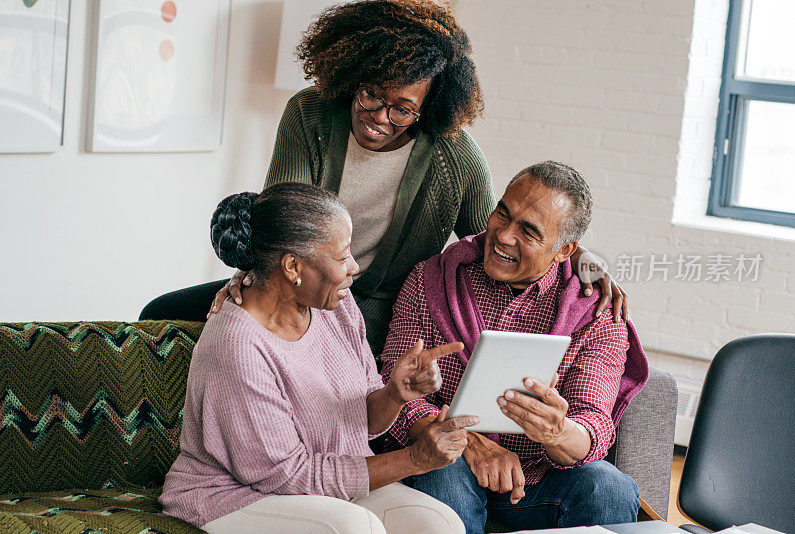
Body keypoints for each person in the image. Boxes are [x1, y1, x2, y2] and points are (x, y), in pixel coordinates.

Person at [209, 0, 628, 356]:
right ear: (353, 74)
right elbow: (280, 221)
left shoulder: (455, 157)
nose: (378, 118)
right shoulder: (310, 114)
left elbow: (500, 233)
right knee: (164, 308)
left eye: (402, 109)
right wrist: (250, 278)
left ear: (428, 110)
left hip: (376, 318)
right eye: (372, 93)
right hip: (293, 291)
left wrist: (579, 255)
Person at [160, 182, 480, 534]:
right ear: (293, 267)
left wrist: (394, 394)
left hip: (326, 482)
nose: (354, 267)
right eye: (342, 257)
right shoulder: (238, 345)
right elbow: (285, 475)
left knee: (440, 524)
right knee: (354, 528)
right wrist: (415, 459)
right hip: (235, 495)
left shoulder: (334, 306)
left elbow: (361, 422)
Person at [379, 161, 649, 533]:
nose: (503, 236)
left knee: (609, 489)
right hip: (446, 462)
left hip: (535, 483)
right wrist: (469, 444)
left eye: (528, 231)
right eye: (501, 214)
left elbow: (593, 423)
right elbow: (391, 389)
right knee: (442, 470)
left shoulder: (597, 312)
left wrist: (557, 431)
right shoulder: (433, 278)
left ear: (564, 250)